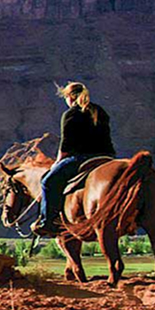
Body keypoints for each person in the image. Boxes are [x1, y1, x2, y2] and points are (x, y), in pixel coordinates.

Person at [31, 82, 115, 235]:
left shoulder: (71, 114)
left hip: (82, 158)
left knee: (47, 182)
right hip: (107, 157)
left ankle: (48, 222)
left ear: (70, 97)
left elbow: (66, 144)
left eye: (66, 97)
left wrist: (57, 162)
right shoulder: (99, 111)